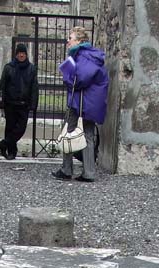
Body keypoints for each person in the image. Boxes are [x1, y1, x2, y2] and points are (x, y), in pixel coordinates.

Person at [52, 27, 108, 182]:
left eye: (70, 38)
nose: (67, 41)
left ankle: (68, 169)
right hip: (88, 103)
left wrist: (66, 76)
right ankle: (87, 171)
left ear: (78, 40)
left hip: (80, 104)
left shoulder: (83, 56)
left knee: (69, 133)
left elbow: (80, 79)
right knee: (87, 135)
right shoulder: (90, 55)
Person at [0, 42, 38, 160]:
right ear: (16, 54)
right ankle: (11, 152)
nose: (21, 55)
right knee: (10, 127)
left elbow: (34, 87)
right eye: (19, 53)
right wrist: (1, 101)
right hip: (10, 103)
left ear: (26, 55)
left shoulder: (31, 69)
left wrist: (33, 104)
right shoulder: (9, 67)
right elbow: (2, 86)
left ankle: (4, 143)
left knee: (21, 128)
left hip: (23, 104)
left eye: (23, 53)